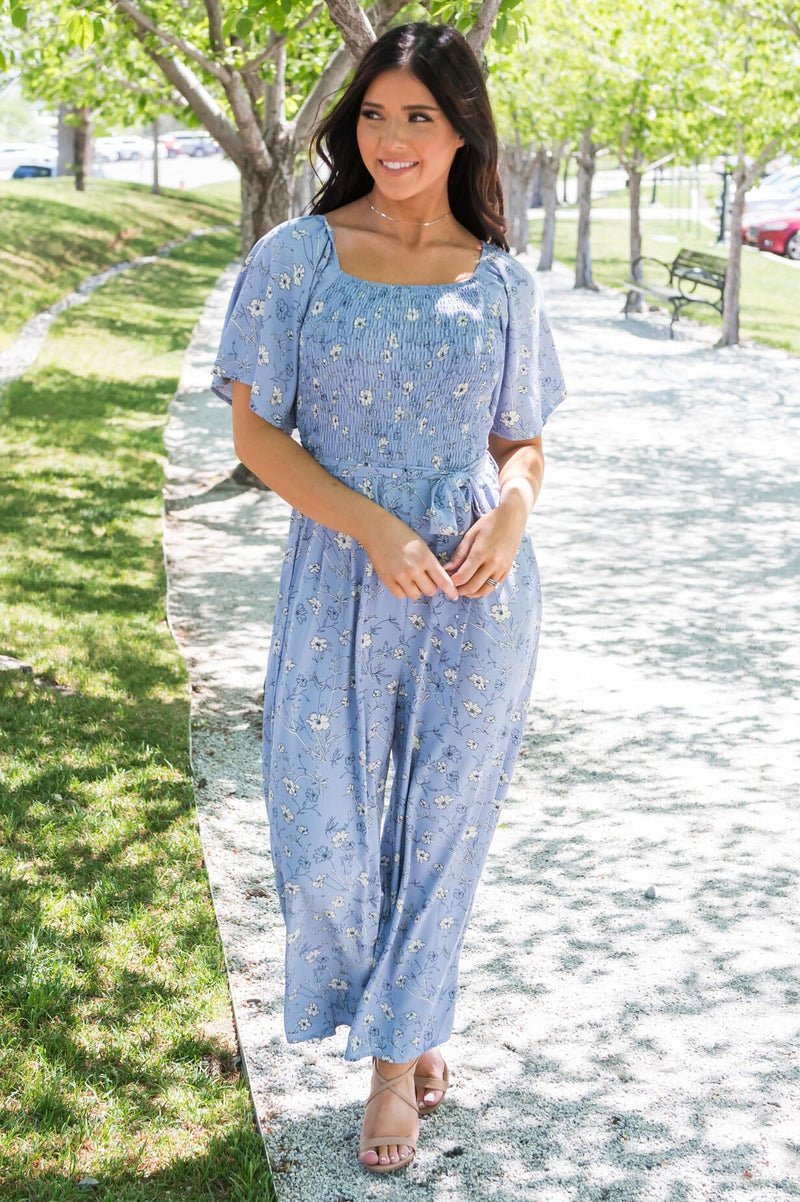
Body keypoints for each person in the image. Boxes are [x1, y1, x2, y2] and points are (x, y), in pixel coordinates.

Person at [210, 21, 566, 1176]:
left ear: (462, 130)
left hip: (472, 591)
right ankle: (396, 1017)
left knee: (438, 834)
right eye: (373, 112)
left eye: (418, 114)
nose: (391, 136)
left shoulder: (501, 279)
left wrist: (511, 513)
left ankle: (393, 1059)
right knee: (325, 827)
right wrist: (370, 525)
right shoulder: (296, 258)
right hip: (338, 575)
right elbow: (256, 434)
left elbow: (519, 440)